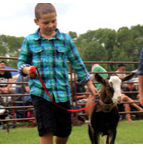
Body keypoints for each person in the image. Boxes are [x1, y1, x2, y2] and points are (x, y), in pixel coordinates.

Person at [17, 3, 97, 144]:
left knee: (65, 131)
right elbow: (21, 63)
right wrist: (27, 70)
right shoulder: (30, 40)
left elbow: (77, 63)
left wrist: (89, 84)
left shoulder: (65, 40)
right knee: (46, 129)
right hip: (40, 93)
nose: (50, 25)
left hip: (62, 93)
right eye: (46, 22)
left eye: (53, 21)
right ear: (37, 22)